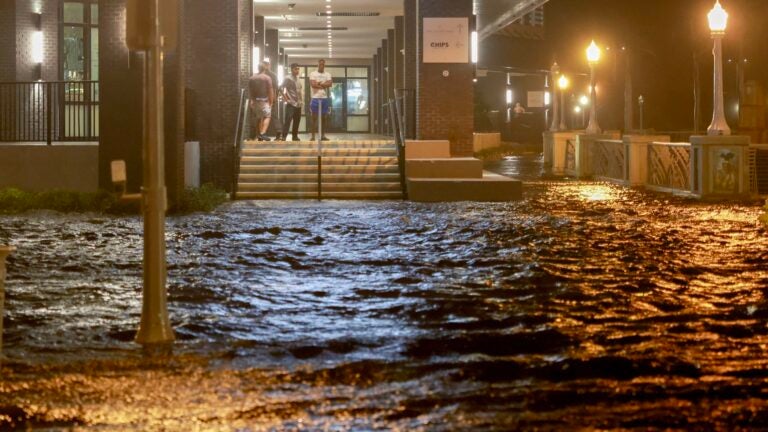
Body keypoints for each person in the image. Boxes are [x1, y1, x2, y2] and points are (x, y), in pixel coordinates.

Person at [248, 62, 274, 141]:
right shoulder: (267, 78)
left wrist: (251, 100)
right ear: (265, 68)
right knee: (267, 116)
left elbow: (250, 91)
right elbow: (270, 90)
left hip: (255, 101)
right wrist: (271, 101)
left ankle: (258, 134)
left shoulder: (252, 78)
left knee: (258, 118)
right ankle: (263, 133)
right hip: (264, 100)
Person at [309, 59, 332, 141]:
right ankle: (312, 136)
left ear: (324, 65)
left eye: (323, 64)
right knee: (314, 118)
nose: (322, 66)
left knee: (324, 118)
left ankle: (322, 136)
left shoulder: (327, 74)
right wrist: (324, 85)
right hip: (315, 98)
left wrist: (319, 84)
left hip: (324, 98)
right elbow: (313, 85)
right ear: (318, 65)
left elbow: (330, 84)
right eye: (320, 64)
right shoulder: (313, 73)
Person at [279, 63, 304, 142]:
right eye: (295, 69)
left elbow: (299, 91)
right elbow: (280, 88)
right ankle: (284, 136)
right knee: (288, 120)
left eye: (298, 69)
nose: (297, 70)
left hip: (298, 104)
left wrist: (302, 101)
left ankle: (295, 136)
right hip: (291, 104)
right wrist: (286, 99)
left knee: (297, 121)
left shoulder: (298, 78)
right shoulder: (288, 78)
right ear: (291, 69)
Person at [263, 60, 284, 141]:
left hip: (268, 98)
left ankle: (262, 134)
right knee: (270, 115)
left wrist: (274, 97)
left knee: (268, 115)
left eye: (266, 65)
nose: (266, 66)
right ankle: (262, 134)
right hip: (266, 98)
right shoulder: (271, 75)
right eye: (265, 65)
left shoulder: (271, 75)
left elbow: (275, 87)